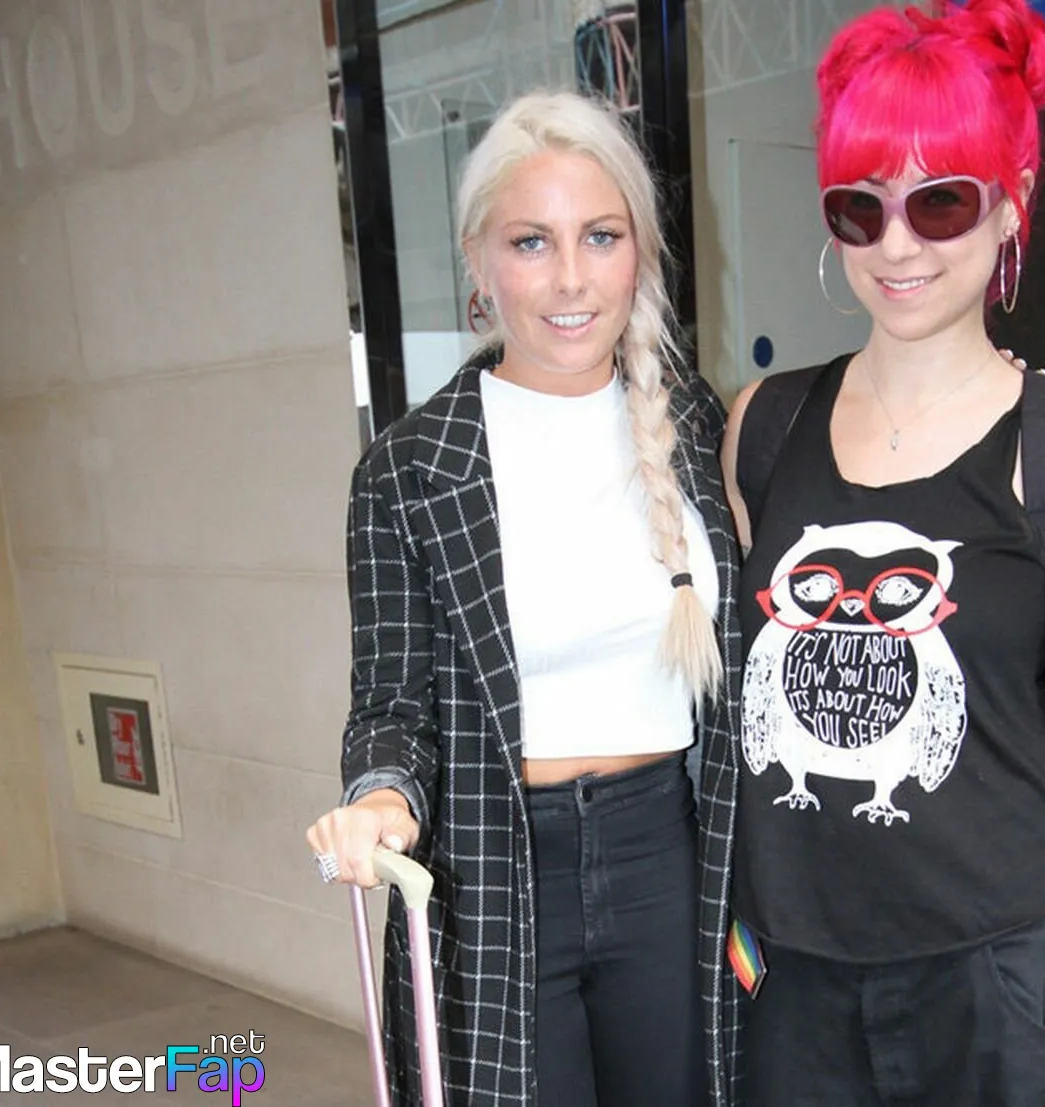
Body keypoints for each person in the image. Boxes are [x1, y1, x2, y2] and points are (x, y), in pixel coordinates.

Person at [718, 3, 1045, 1106]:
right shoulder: (762, 427)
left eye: (939, 201)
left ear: (1008, 205)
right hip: (795, 974)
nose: (897, 244)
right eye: (859, 205)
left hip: (1006, 966)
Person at [305, 90, 743, 1107]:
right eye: (531, 242)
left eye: (601, 236)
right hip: (493, 868)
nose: (571, 277)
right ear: (478, 260)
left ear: (640, 251)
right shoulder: (410, 469)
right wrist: (380, 795)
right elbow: (390, 702)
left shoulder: (694, 423)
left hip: (669, 852)